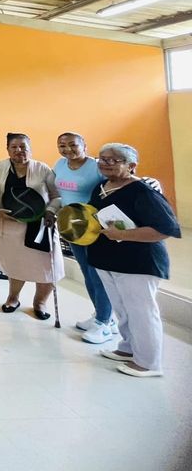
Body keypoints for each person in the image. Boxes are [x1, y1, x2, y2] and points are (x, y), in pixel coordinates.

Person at [88, 143, 181, 378]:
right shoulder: (101, 187)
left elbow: (164, 229)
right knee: (122, 309)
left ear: (131, 165)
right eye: (102, 159)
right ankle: (128, 348)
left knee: (142, 312)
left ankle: (149, 363)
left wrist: (123, 234)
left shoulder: (144, 191)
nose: (105, 163)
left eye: (113, 160)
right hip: (108, 259)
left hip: (138, 262)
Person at [0, 133, 62, 320]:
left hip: (40, 225)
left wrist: (50, 211)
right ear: (8, 150)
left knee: (47, 266)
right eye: (14, 147)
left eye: (23, 147)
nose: (19, 150)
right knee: (16, 264)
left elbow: (56, 196)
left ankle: (40, 302)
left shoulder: (43, 169)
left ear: (30, 149)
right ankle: (13, 298)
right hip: (10, 225)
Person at [53, 132, 116, 343]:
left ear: (84, 146)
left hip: (94, 228)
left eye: (73, 145)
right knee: (87, 273)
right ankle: (102, 315)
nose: (67, 149)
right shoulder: (59, 165)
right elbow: (58, 194)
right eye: (62, 145)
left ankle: (104, 324)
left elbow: (114, 190)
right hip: (72, 226)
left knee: (98, 275)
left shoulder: (97, 167)